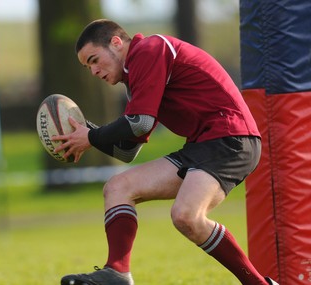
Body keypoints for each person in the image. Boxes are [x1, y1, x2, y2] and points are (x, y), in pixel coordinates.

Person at [52, 19, 279, 285]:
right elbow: (128, 151)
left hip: (231, 138)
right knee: (118, 187)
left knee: (186, 215)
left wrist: (90, 136)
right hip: (203, 144)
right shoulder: (135, 72)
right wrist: (87, 132)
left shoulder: (149, 50)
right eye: (87, 66)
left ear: (115, 42)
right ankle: (117, 273)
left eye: (94, 59)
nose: (93, 71)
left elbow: (140, 123)